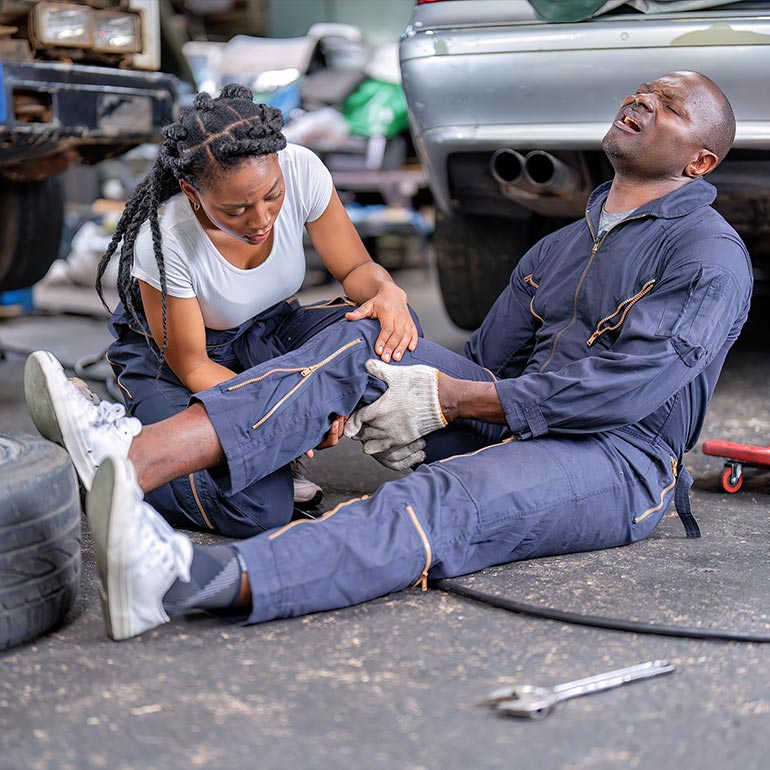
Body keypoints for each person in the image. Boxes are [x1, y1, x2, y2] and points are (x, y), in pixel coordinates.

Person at [25, 71, 752, 642]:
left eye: (670, 106)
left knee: (439, 502)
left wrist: (449, 402)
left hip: (616, 459)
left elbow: (621, 393)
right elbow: (476, 362)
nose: (644, 101)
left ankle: (188, 581)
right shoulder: (559, 247)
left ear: (700, 160)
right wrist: (402, 392)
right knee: (367, 335)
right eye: (644, 92)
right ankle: (129, 458)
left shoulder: (706, 255)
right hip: (520, 414)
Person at [66, 83, 420, 536]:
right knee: (257, 510)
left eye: (272, 196)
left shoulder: (303, 169)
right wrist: (293, 411)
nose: (260, 220)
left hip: (270, 332)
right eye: (235, 209)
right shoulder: (166, 237)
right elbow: (193, 366)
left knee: (388, 329)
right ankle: (107, 442)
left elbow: (354, 268)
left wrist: (385, 290)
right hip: (182, 366)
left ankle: (257, 447)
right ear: (191, 192)